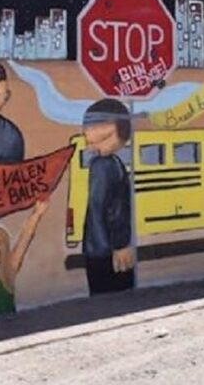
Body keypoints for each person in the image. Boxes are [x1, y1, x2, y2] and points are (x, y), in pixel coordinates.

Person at [81, 98, 135, 295]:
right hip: (107, 250)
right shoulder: (106, 165)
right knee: (115, 298)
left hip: (96, 248)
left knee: (101, 294)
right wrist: (121, 244)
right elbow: (113, 209)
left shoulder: (103, 164)